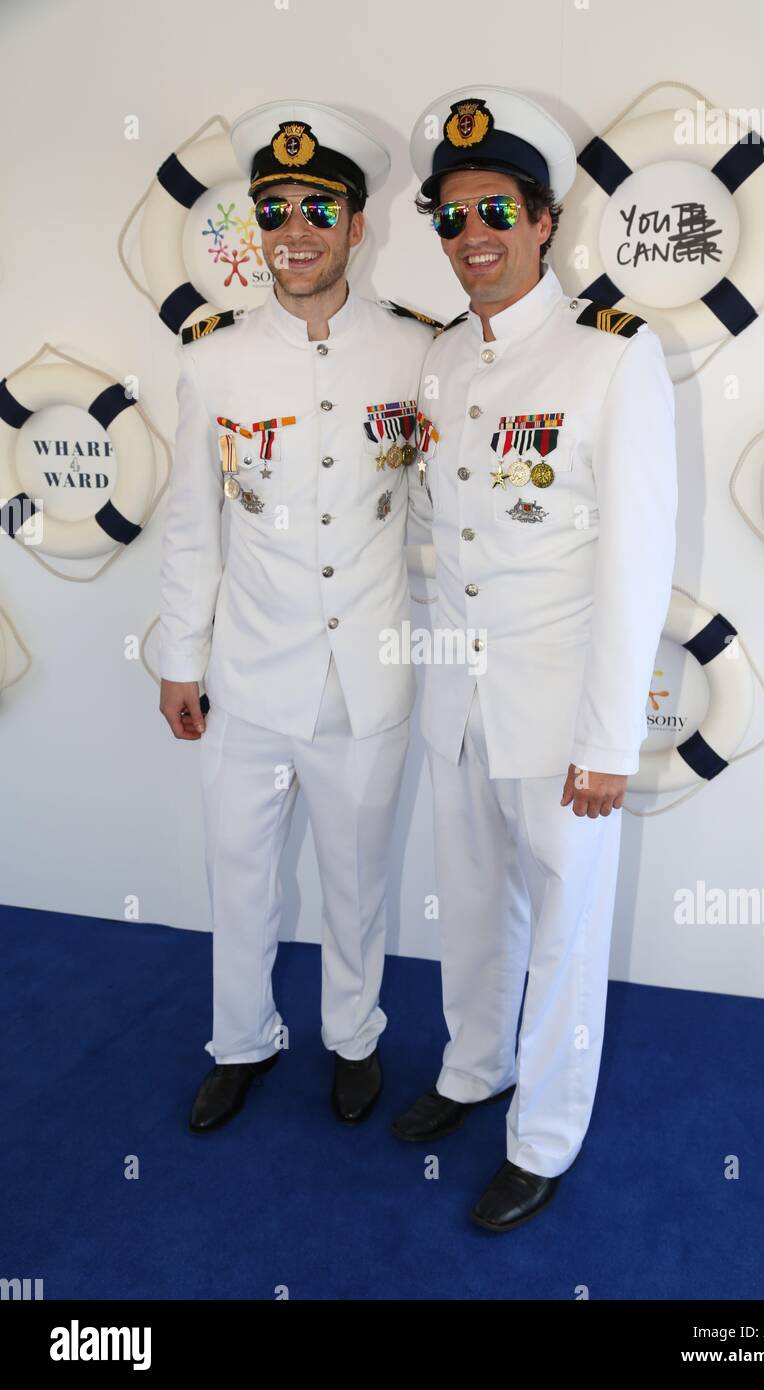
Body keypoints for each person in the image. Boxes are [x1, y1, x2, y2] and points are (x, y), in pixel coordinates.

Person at [393, 86, 678, 1231]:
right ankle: (472, 1067)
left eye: (494, 210)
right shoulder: (444, 360)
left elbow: (635, 561)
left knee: (561, 926)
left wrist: (611, 736)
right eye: (451, 218)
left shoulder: (611, 355)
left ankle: (544, 1133)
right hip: (458, 694)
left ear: (544, 218)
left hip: (563, 708)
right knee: (469, 904)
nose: (472, 239)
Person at [158, 99, 440, 1134]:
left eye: (319, 210)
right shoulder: (211, 360)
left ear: (356, 225)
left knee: (357, 879)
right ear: (257, 227)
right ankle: (240, 1041)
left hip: (365, 676)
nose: (296, 232)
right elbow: (193, 526)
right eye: (275, 210)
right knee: (236, 875)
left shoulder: (415, 353)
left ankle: (354, 1037)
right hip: (247, 675)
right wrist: (178, 658)